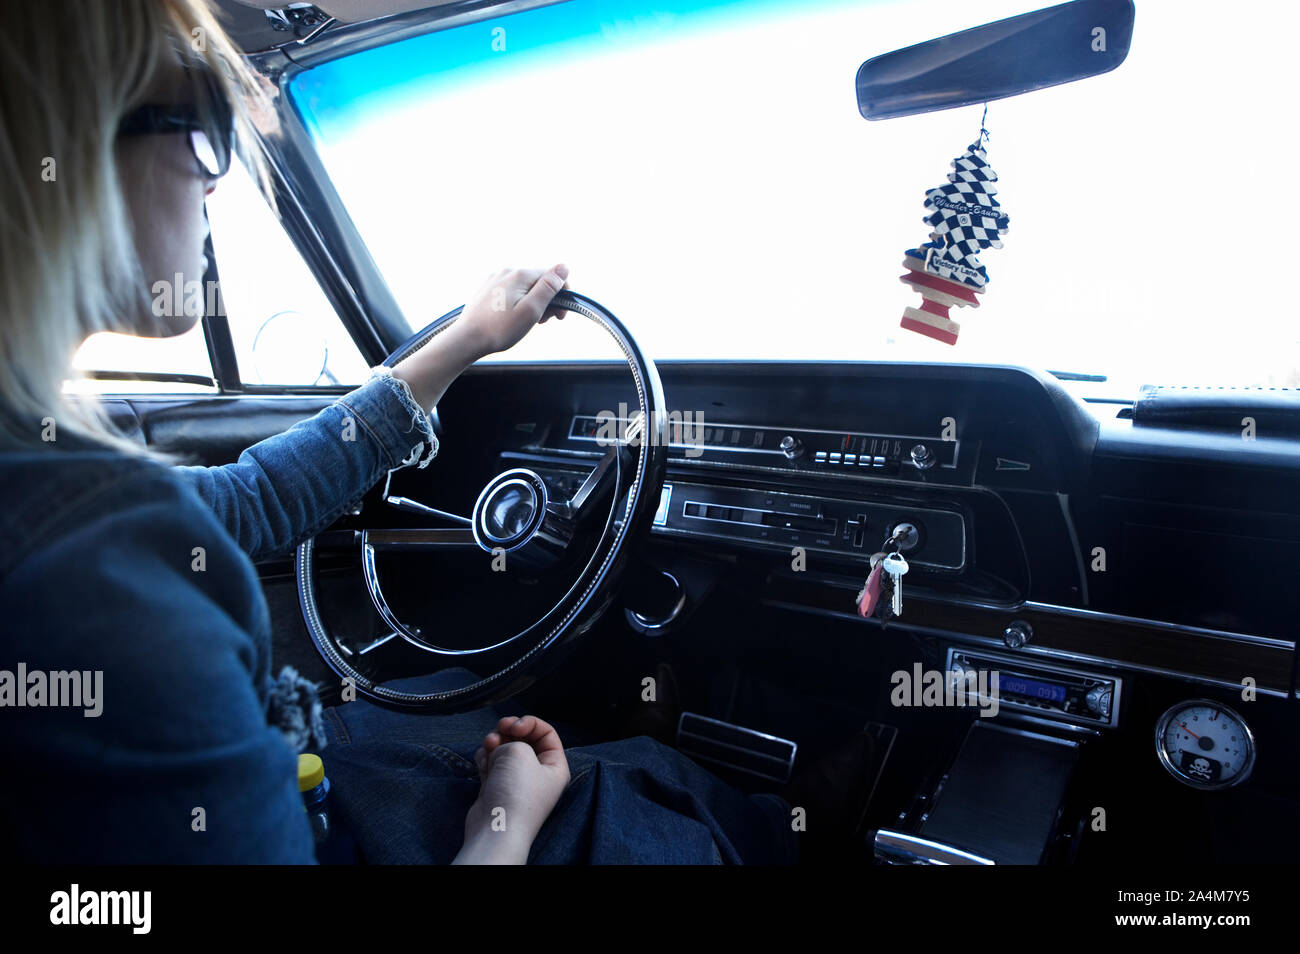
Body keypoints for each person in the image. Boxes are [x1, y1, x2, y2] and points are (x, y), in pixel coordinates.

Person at [0, 0, 800, 864]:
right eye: (202, 123)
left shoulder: (55, 498)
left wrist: (464, 340)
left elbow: (254, 498)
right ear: (73, 156)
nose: (216, 176)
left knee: (465, 699)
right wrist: (506, 823)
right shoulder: (97, 595)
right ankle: (793, 822)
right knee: (644, 813)